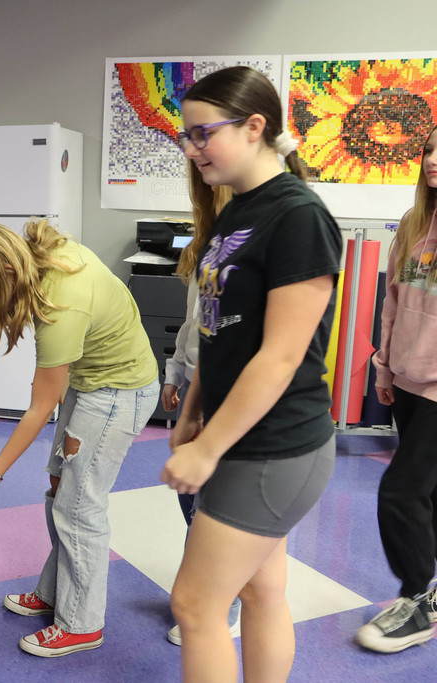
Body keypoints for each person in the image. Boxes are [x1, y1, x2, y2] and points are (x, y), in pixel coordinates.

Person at [160, 65, 341, 683]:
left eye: (201, 133)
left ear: (255, 126)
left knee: (194, 604)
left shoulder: (297, 216)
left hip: (274, 445)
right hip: (239, 432)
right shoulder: (239, 209)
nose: (191, 148)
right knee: (260, 593)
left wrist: (208, 449)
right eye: (186, 135)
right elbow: (221, 331)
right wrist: (190, 414)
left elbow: (281, 355)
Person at [0, 219, 160, 657]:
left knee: (81, 508)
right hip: (90, 381)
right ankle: (56, 592)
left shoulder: (61, 305)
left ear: (6, 270)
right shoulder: (41, 259)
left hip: (119, 392)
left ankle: (81, 625)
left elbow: (38, 408)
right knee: (61, 490)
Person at [355, 124, 437, 653]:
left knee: (401, 491)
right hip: (406, 378)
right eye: (430, 149)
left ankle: (418, 598)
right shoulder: (412, 223)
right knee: (427, 491)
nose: (434, 159)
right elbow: (391, 304)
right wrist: (383, 371)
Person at [161, 185, 242, 647]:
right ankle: (203, 586)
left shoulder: (249, 248)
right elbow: (193, 321)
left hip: (228, 391)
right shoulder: (203, 246)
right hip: (194, 381)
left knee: (216, 502)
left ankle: (221, 600)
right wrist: (175, 374)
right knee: (190, 498)